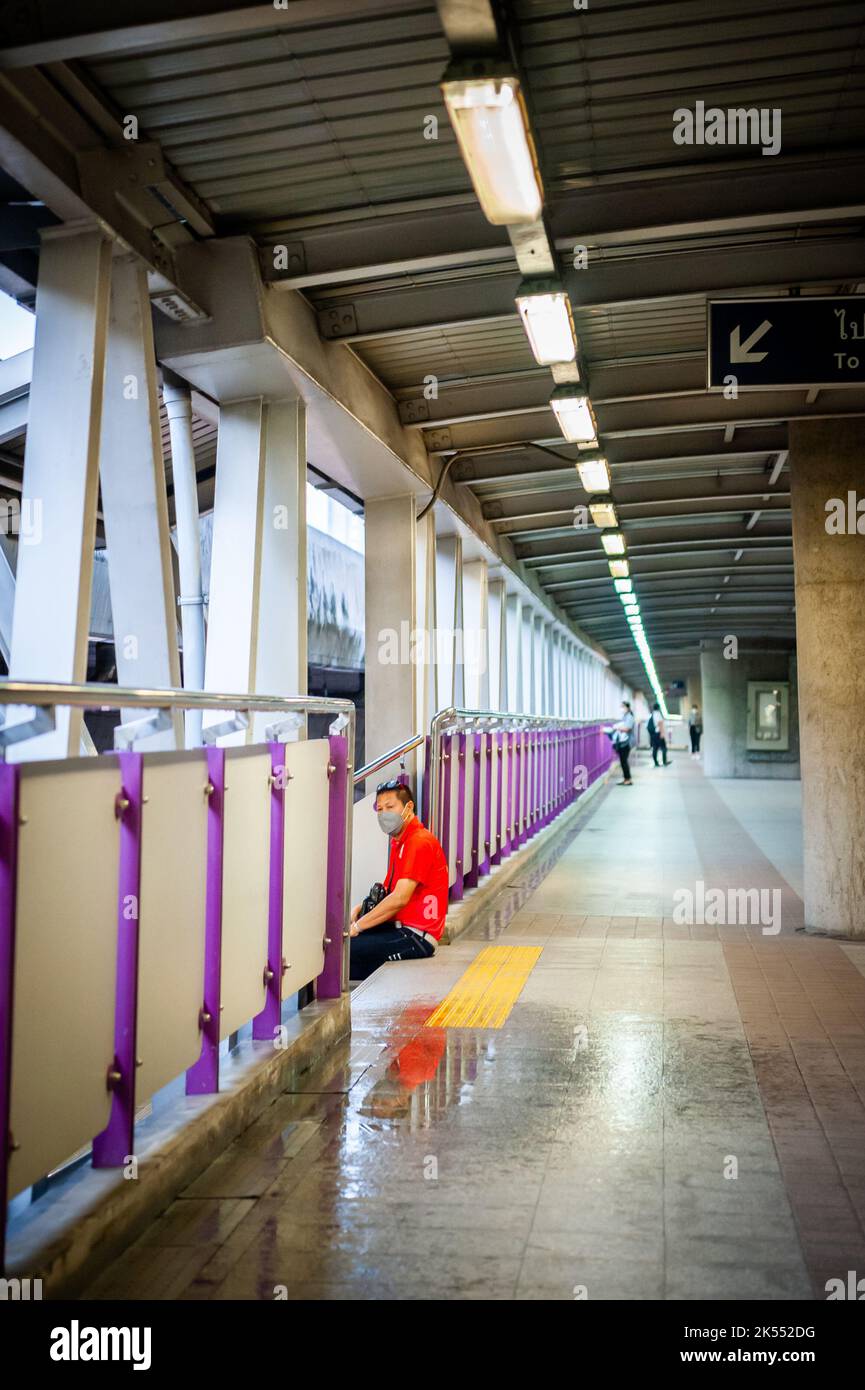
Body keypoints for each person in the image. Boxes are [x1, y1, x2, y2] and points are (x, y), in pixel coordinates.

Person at [349, 780, 449, 981]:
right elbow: (389, 890)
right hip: (401, 929)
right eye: (379, 809)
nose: (383, 814)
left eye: (390, 807)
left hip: (415, 936)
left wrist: (358, 926)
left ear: (408, 807)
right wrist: (360, 909)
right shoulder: (400, 841)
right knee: (342, 950)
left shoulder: (419, 841)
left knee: (344, 952)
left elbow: (400, 898)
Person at [611, 700, 635, 785]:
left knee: (624, 761)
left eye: (623, 707)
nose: (621, 708)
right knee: (623, 761)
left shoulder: (629, 717)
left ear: (627, 707)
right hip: (624, 742)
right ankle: (626, 779)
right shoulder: (625, 716)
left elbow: (627, 728)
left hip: (626, 742)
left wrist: (617, 727)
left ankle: (628, 779)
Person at [647, 701, 670, 767]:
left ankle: (656, 763)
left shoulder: (652, 714)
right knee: (664, 748)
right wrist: (662, 733)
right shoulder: (658, 714)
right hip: (658, 733)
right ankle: (664, 762)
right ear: (658, 708)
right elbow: (660, 724)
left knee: (655, 748)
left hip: (653, 734)